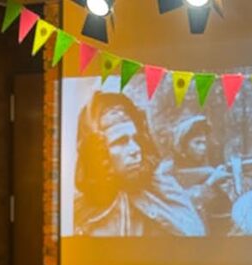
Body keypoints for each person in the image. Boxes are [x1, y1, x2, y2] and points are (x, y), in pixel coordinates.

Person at [73, 92, 205, 237]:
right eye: (120, 141)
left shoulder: (160, 191)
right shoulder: (78, 211)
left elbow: (195, 233)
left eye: (135, 139)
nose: (136, 149)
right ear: (99, 153)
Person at [164, 115, 236, 235]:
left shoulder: (204, 170)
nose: (203, 148)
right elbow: (181, 204)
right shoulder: (168, 172)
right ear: (183, 146)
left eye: (204, 143)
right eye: (197, 143)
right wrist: (210, 182)